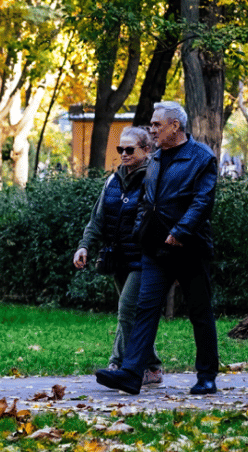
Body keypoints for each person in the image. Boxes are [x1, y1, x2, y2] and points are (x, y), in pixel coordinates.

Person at [96, 101, 220, 396]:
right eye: (151, 125)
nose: (151, 130)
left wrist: (180, 232)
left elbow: (202, 201)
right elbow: (146, 200)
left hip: (190, 248)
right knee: (145, 310)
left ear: (175, 126)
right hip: (154, 249)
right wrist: (141, 231)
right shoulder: (156, 158)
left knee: (200, 312)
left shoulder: (201, 157)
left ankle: (207, 376)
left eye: (156, 125)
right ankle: (131, 373)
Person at [73, 127, 163, 387]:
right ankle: (153, 368)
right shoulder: (113, 180)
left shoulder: (154, 178)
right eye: (120, 149)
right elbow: (98, 218)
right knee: (133, 313)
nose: (123, 153)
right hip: (118, 258)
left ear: (146, 150)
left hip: (145, 258)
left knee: (127, 310)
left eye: (129, 149)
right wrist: (84, 246)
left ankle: (118, 364)